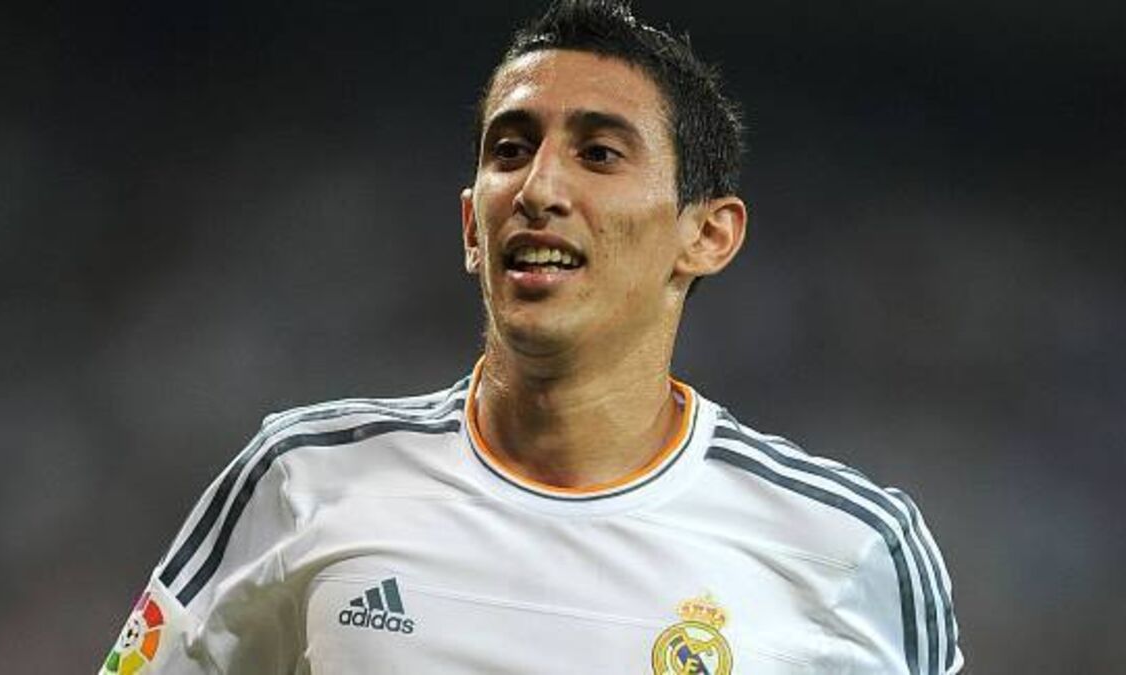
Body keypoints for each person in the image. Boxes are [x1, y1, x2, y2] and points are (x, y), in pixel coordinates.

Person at [99, 1, 961, 673]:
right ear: (471, 226)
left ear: (707, 234)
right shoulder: (304, 480)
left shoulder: (849, 547)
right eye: (510, 149)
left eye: (600, 153)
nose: (539, 187)